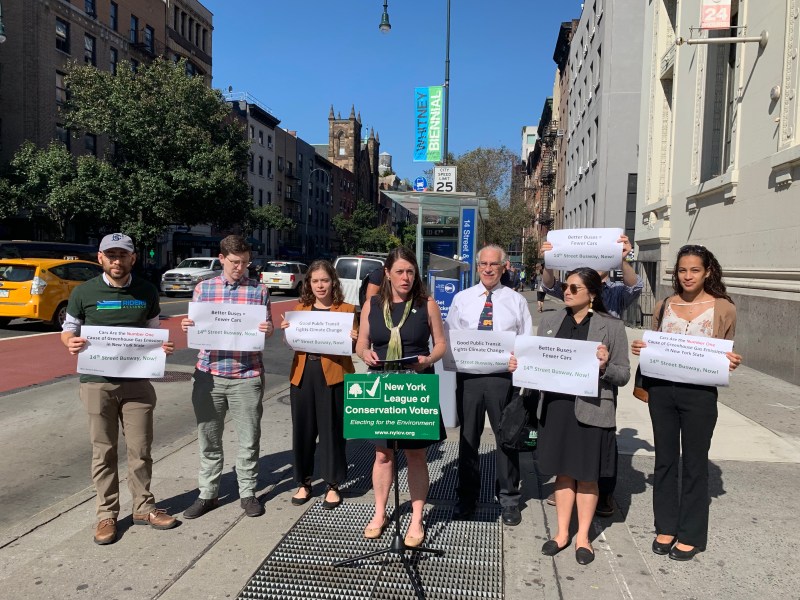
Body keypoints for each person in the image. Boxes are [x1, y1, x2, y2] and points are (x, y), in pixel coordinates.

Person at [61, 233, 177, 545]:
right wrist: (70, 342)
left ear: (132, 258)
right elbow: (68, 329)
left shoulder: (146, 290)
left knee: (141, 449)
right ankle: (106, 514)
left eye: (122, 255)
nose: (117, 260)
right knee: (104, 451)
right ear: (100, 258)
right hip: (97, 383)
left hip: (137, 383)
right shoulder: (84, 292)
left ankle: (143, 507)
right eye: (110, 255)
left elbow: (154, 331)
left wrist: (162, 347)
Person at [631, 245, 742, 561]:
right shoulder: (665, 305)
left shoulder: (724, 308)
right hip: (663, 393)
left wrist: (730, 361)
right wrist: (643, 348)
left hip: (700, 395)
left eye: (694, 270)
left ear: (707, 272)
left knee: (695, 462)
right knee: (665, 459)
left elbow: (725, 349)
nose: (688, 276)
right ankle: (665, 526)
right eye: (682, 270)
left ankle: (691, 533)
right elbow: (657, 342)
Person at [540, 233, 643, 516]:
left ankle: (603, 492)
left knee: (599, 446)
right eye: (568, 286)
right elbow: (549, 285)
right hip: (564, 389)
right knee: (568, 445)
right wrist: (549, 259)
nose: (568, 290)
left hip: (601, 382)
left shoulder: (615, 293)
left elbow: (636, 287)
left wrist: (624, 259)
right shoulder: (568, 296)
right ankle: (566, 486)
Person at [535, 267, 630, 565]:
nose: (567, 291)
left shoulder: (611, 326)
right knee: (563, 473)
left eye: (574, 288)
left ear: (592, 293)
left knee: (587, 477)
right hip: (556, 408)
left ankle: (583, 538)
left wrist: (604, 367)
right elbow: (538, 361)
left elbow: (623, 374)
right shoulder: (550, 321)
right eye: (566, 286)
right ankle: (562, 533)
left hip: (592, 409)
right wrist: (521, 365)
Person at [356, 247, 447, 547]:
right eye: (399, 271)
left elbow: (440, 344)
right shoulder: (372, 304)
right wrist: (365, 353)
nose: (406, 277)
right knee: (383, 454)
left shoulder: (426, 303)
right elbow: (362, 343)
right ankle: (379, 513)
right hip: (382, 385)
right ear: (387, 273)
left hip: (416, 386)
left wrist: (427, 360)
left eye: (410, 271)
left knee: (415, 455)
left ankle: (417, 518)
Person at [180, 235, 274, 520]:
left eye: (245, 262)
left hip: (247, 374)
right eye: (234, 262)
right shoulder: (203, 288)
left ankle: (248, 492)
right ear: (221, 258)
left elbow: (266, 327)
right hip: (209, 375)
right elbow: (196, 326)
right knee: (208, 438)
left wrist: (268, 329)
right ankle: (208, 493)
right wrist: (188, 325)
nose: (240, 268)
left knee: (249, 439)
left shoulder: (259, 290)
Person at [446, 244, 533, 526]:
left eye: (493, 264)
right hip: (469, 379)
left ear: (504, 267)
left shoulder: (516, 301)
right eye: (483, 263)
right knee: (468, 439)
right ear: (477, 266)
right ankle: (466, 497)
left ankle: (509, 498)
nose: (487, 269)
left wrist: (520, 363)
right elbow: (450, 335)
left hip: (502, 379)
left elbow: (526, 339)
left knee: (506, 438)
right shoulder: (462, 299)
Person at [280, 260, 358, 510]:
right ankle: (303, 482)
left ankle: (332, 484)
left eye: (324, 280)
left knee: (332, 431)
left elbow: (355, 347)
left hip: (333, 376)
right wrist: (287, 334)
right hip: (303, 374)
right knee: (303, 431)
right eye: (315, 281)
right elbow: (291, 344)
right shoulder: (300, 309)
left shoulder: (346, 310)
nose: (320, 285)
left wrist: (355, 339)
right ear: (309, 284)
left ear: (333, 282)